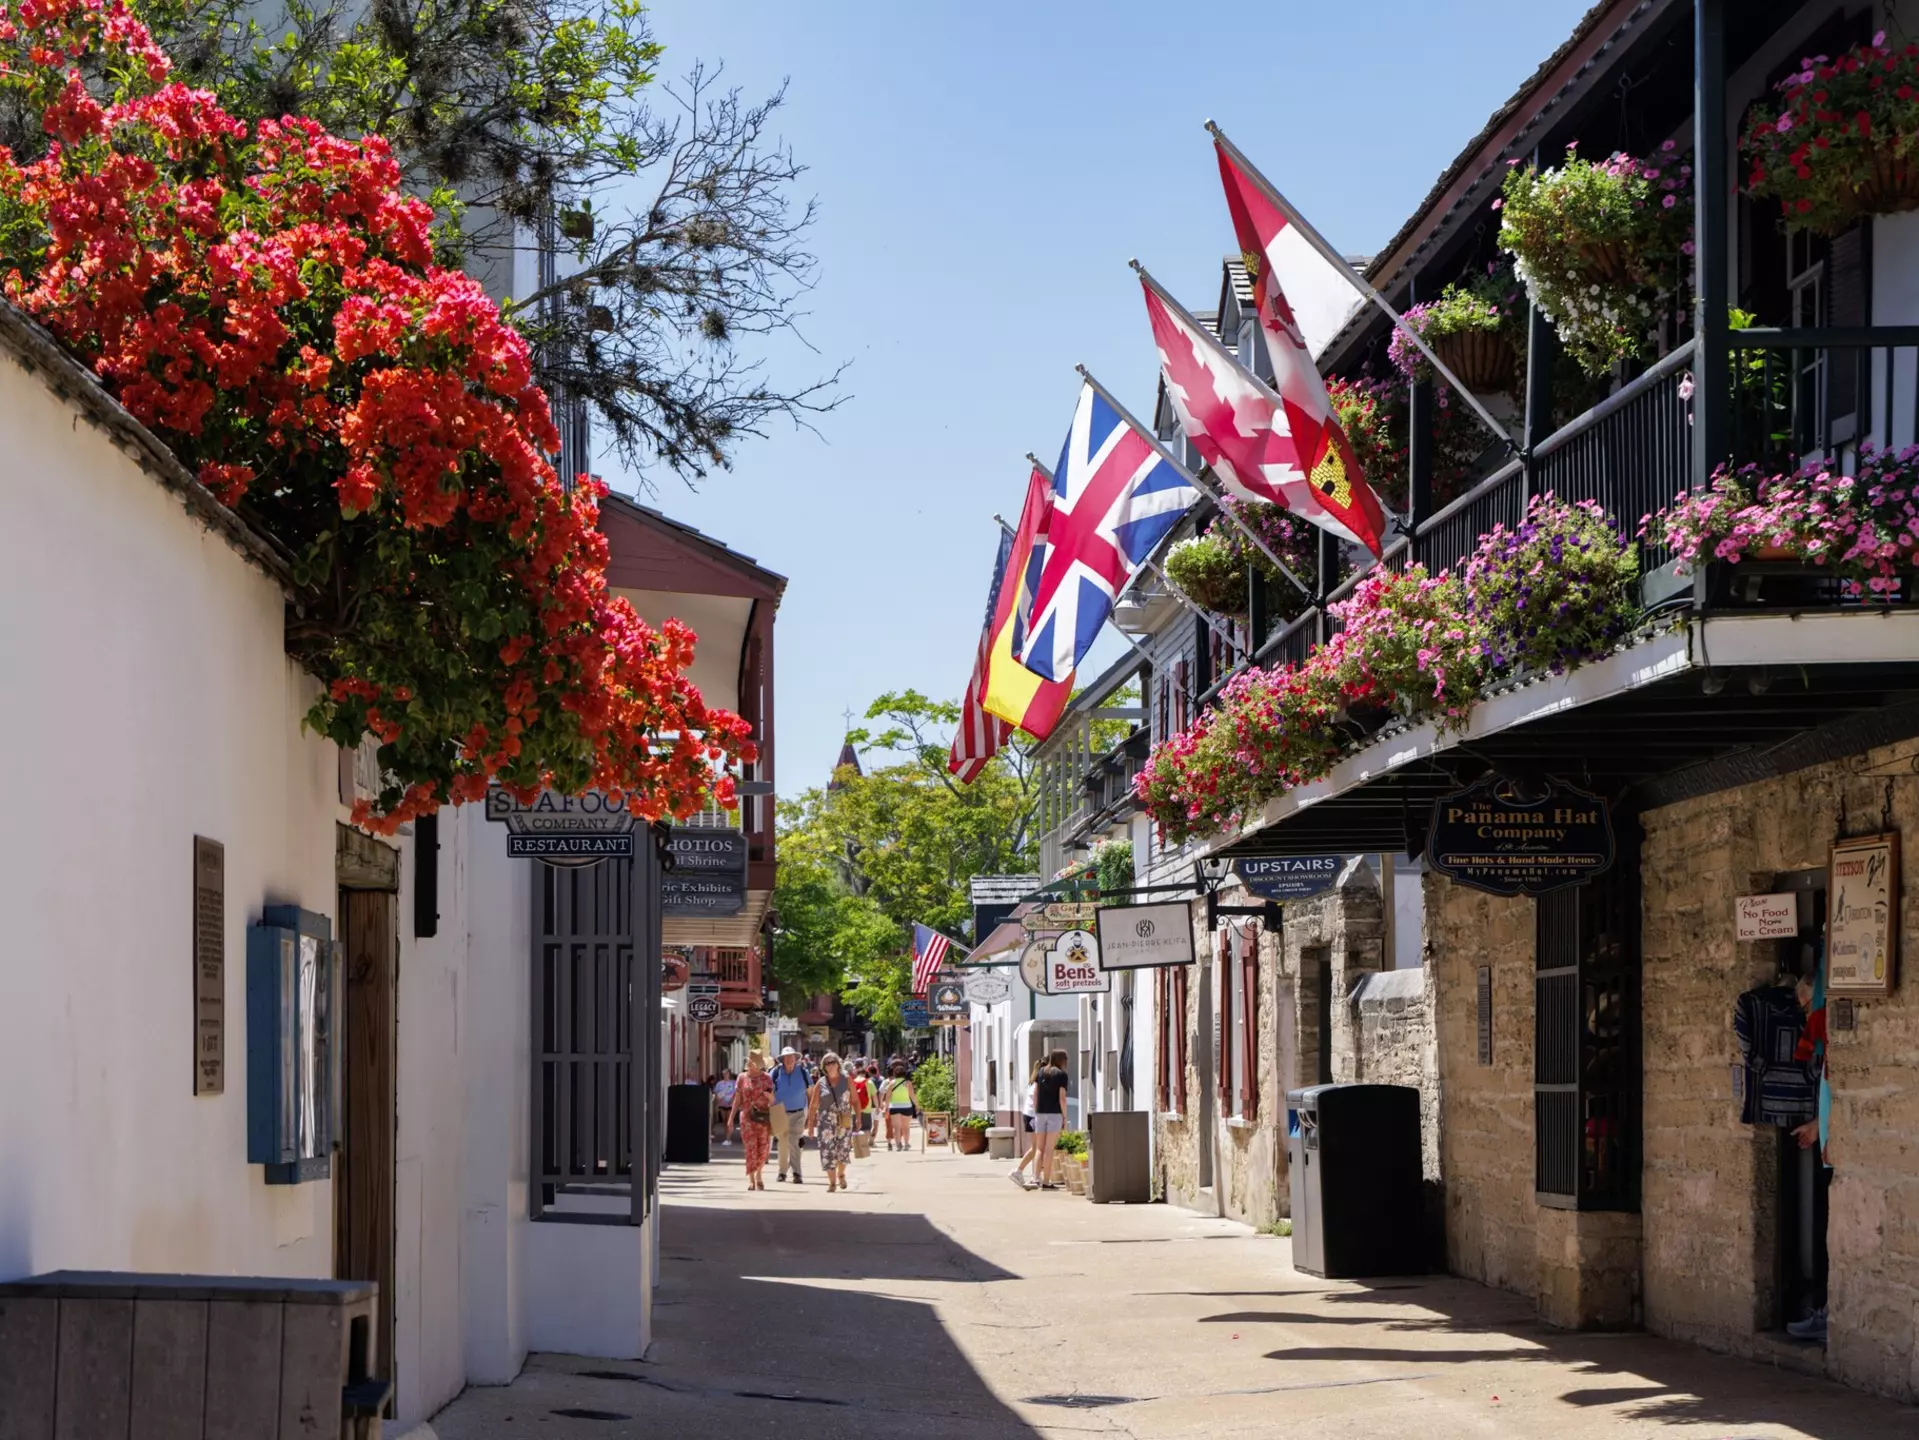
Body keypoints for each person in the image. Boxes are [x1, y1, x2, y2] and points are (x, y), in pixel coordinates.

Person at [726, 1051, 774, 1190]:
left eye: (756, 1063)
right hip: (747, 1117)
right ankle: (753, 1178)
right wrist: (730, 1118)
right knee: (750, 1148)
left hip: (763, 1117)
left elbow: (773, 1099)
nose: (753, 1066)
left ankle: (759, 1172)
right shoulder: (742, 1078)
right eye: (752, 1063)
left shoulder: (766, 1078)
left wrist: (769, 1097)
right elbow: (737, 1100)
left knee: (763, 1148)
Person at [810, 1052, 857, 1193]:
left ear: (838, 1064)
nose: (830, 1065)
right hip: (826, 1123)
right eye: (827, 1063)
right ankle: (832, 1182)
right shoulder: (821, 1083)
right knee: (827, 1152)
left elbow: (855, 1100)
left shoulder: (847, 1080)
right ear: (823, 1066)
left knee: (843, 1150)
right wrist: (811, 1125)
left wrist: (859, 1117)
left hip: (844, 1119)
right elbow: (813, 1105)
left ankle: (841, 1173)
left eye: (832, 1062)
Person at [769, 1046, 815, 1183]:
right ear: (782, 1060)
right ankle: (782, 1172)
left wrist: (813, 1112)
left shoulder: (803, 1072)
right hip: (780, 1112)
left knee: (794, 1142)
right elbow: (768, 1091)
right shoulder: (775, 1072)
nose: (790, 1060)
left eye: (792, 1057)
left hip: (799, 1112)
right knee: (782, 1144)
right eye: (787, 1058)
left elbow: (810, 1092)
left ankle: (797, 1173)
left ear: (796, 1059)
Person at [1031, 1049, 1070, 1190]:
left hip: (1040, 1113)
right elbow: (1062, 1098)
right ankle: (1046, 1181)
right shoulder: (1061, 1075)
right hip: (1054, 1114)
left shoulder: (1041, 1072)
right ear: (1061, 1060)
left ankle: (1035, 1178)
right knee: (1049, 1149)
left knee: (1039, 1148)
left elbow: (1035, 1094)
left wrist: (1037, 1111)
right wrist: (1065, 1116)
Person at [1008, 1057, 1043, 1189]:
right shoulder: (1037, 1084)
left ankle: (1034, 1174)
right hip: (1033, 1116)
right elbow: (1036, 1101)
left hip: (1028, 1115)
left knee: (1037, 1147)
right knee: (1036, 1147)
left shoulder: (1032, 1082)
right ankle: (1019, 1171)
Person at [880, 1060, 917, 1151]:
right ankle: (906, 1144)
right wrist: (917, 1105)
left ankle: (898, 1145)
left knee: (897, 1127)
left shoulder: (891, 1083)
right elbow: (912, 1095)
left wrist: (886, 1107)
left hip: (894, 1107)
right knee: (906, 1127)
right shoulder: (907, 1083)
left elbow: (888, 1097)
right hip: (907, 1106)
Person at [712, 1068, 738, 1144]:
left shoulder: (733, 1083)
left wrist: (732, 1100)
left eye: (727, 1074)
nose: (725, 1075)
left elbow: (736, 1093)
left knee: (729, 1121)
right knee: (724, 1121)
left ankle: (728, 1138)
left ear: (729, 1074)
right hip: (722, 1104)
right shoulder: (719, 1083)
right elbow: (715, 1092)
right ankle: (726, 1136)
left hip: (730, 1104)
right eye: (724, 1074)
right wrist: (717, 1099)